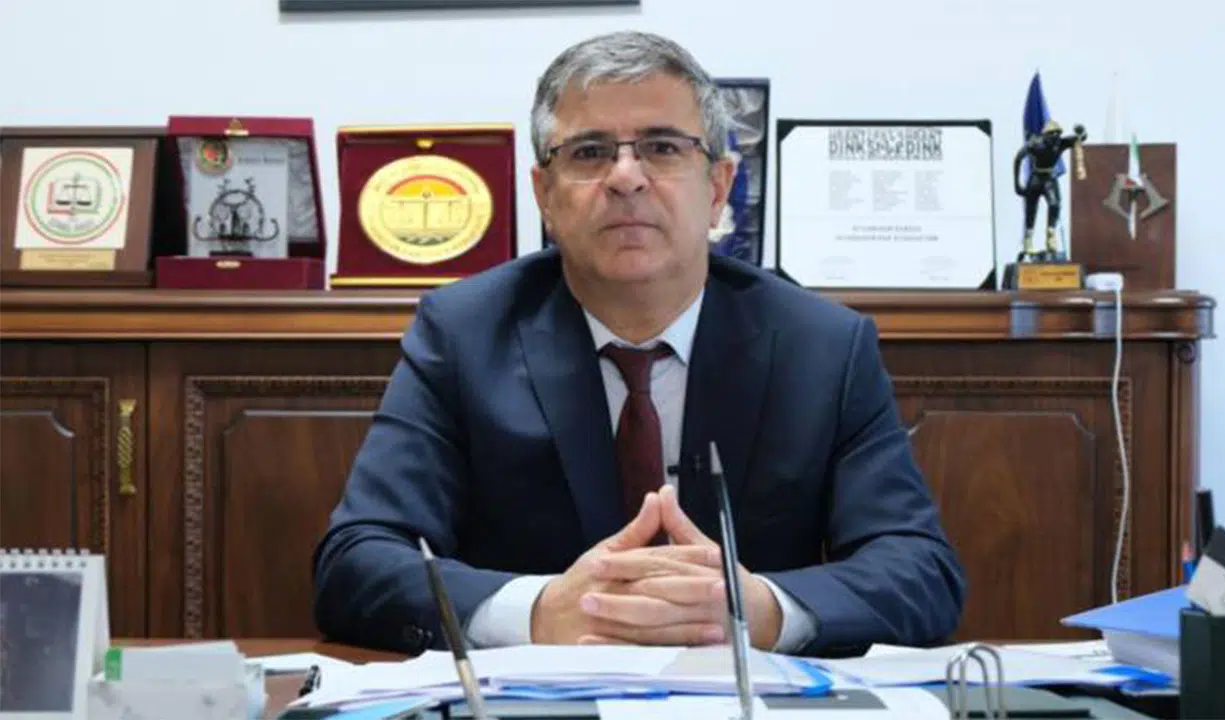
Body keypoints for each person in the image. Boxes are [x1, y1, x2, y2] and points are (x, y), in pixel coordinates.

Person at [312, 30, 965, 659]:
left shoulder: (822, 346)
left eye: (661, 147)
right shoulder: (462, 334)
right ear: (545, 196)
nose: (626, 177)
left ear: (718, 188)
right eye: (590, 152)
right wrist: (538, 612)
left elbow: (918, 568)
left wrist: (761, 610)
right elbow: (358, 561)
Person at [1013, 119, 1087, 261]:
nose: (1055, 137)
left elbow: (1080, 139)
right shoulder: (1035, 143)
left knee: (1055, 204)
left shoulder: (1060, 143)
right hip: (1036, 178)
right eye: (1052, 134)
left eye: (1058, 134)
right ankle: (1028, 240)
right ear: (1045, 135)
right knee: (1031, 209)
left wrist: (1081, 131)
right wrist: (1017, 184)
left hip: (1049, 178)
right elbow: (1018, 158)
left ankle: (1051, 235)